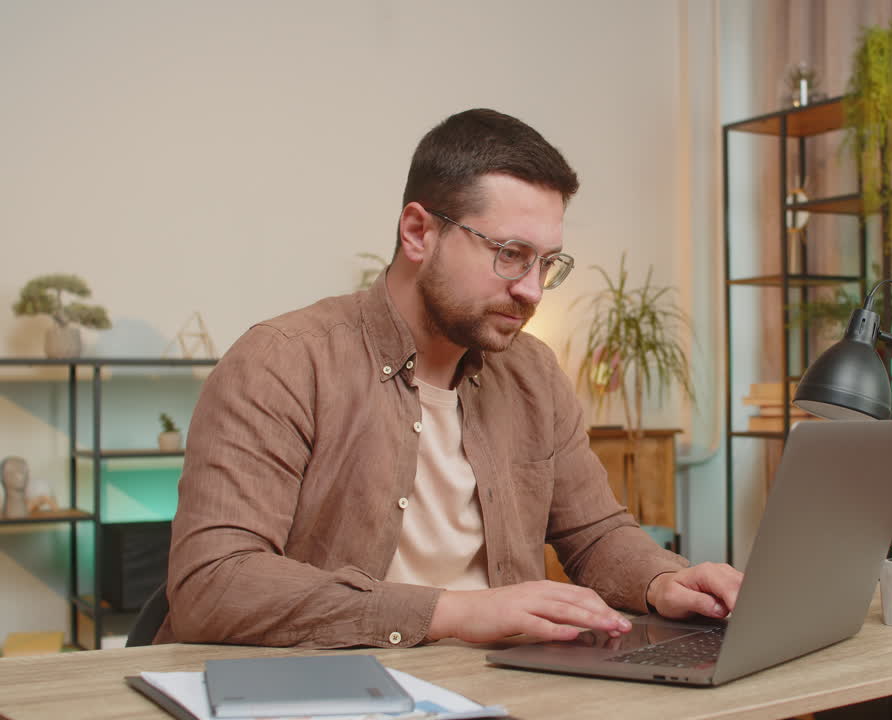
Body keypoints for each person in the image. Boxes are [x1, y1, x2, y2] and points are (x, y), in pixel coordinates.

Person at [156, 109, 742, 648]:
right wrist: (457, 613)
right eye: (510, 253)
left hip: (505, 690)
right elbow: (215, 584)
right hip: (328, 692)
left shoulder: (532, 371)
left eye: (546, 262)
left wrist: (666, 581)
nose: (532, 289)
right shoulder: (282, 362)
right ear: (418, 232)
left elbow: (596, 533)